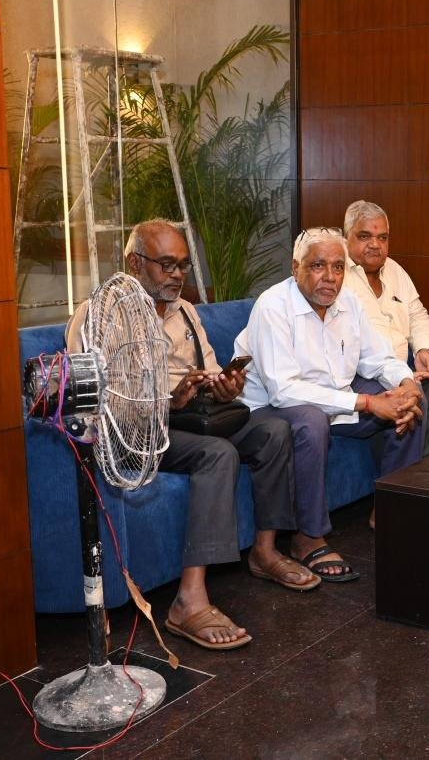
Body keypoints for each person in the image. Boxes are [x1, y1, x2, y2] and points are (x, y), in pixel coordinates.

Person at [67, 220, 318, 651]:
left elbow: (212, 371)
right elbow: (96, 401)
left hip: (193, 418)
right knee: (218, 454)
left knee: (273, 430)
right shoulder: (100, 316)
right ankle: (189, 600)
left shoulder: (185, 310)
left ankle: (265, 551)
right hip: (140, 433)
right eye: (166, 265)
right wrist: (169, 402)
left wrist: (225, 387)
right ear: (134, 263)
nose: (177, 275)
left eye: (183, 265)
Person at [236, 227, 427, 581]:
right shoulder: (272, 306)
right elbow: (283, 390)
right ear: (295, 268)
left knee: (411, 401)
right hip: (271, 411)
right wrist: (366, 402)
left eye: (338, 267)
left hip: (336, 403)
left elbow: (378, 358)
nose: (330, 277)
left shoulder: (348, 303)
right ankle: (307, 538)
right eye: (318, 266)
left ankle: (391, 510)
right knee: (311, 420)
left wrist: (405, 384)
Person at [341, 200, 429, 458]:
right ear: (346, 236)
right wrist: (401, 379)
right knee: (410, 399)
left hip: (403, 369)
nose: (375, 244)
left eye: (382, 238)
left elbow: (417, 314)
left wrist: (423, 349)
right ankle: (405, 476)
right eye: (365, 236)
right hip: (362, 376)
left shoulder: (395, 271)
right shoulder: (338, 277)